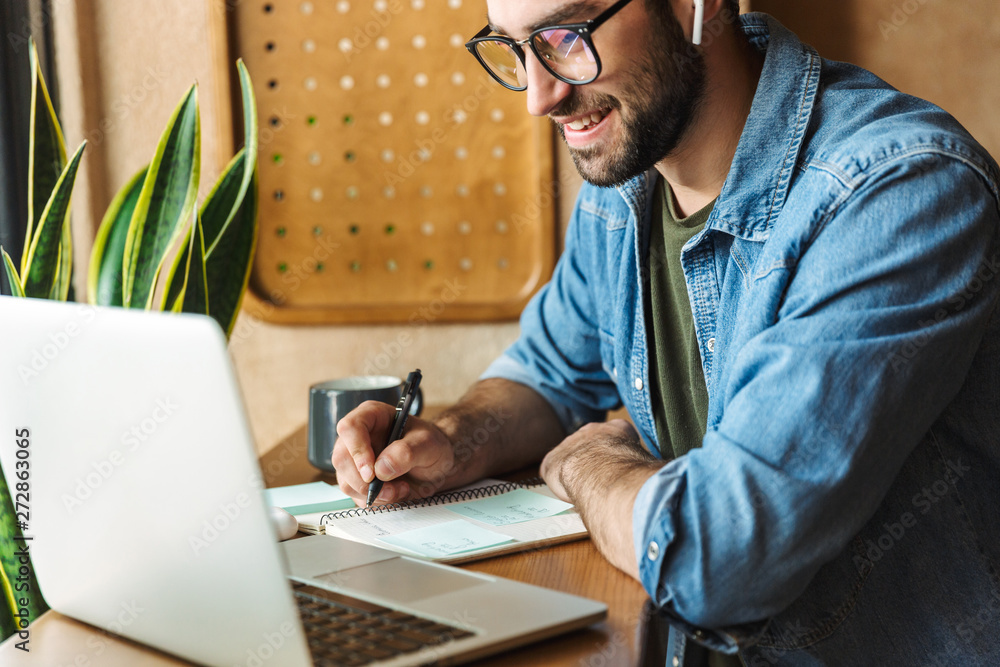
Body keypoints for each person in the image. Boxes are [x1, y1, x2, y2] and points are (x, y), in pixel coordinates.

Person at [333, 1, 1000, 664]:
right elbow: (550, 373)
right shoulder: (628, 173)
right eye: (511, 48)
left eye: (565, 36)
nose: (540, 96)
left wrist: (589, 464)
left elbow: (722, 559)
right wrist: (449, 439)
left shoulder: (898, 190)